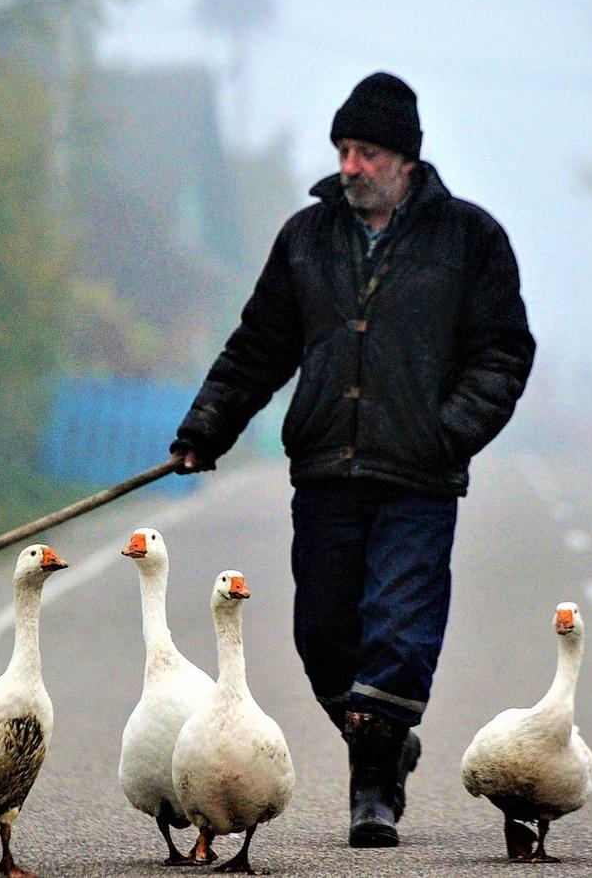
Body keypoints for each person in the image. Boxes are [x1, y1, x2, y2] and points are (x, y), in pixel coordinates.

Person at [170, 71, 535, 848]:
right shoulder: (306, 239)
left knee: (397, 632)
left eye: (367, 152)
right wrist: (208, 427)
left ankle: (372, 789)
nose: (351, 166)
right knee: (324, 637)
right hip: (326, 474)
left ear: (406, 160)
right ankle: (386, 743)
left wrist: (450, 431)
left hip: (418, 478)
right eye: (343, 150)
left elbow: (503, 351)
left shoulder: (470, 240)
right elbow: (259, 346)